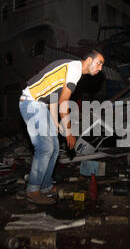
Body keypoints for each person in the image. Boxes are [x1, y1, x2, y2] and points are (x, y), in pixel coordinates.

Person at [19, 50, 105, 205]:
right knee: (45, 148)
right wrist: (69, 132)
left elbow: (54, 96)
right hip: (31, 103)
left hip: (41, 105)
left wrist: (56, 122)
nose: (100, 68)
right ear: (88, 60)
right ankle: (33, 190)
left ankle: (45, 186)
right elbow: (63, 102)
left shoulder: (71, 70)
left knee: (55, 148)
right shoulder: (74, 69)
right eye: (99, 63)